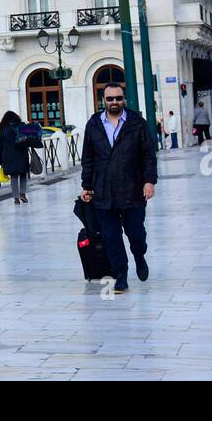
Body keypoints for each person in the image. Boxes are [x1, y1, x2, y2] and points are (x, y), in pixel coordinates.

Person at [80, 83, 157, 293]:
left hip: (132, 189)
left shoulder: (137, 123)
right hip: (103, 191)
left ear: (124, 99)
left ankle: (139, 256)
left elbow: (148, 155)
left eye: (118, 98)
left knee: (136, 234)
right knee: (111, 238)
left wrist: (149, 181)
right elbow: (88, 158)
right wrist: (86, 186)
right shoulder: (94, 124)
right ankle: (121, 275)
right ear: (103, 100)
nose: (115, 102)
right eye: (110, 99)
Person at [0, 110, 33, 203]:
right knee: (23, 175)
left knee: (14, 177)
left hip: (9, 156)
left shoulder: (3, 129)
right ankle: (23, 194)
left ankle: (16, 198)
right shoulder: (21, 126)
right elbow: (29, 138)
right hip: (22, 154)